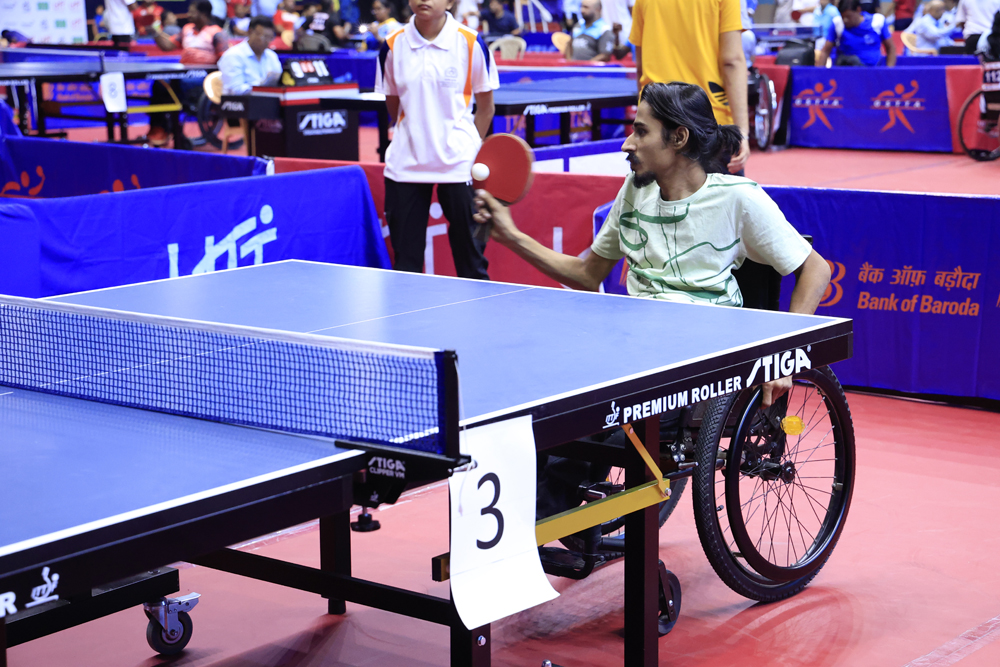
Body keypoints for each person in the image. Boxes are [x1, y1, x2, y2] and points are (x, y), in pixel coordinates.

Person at [473, 82, 831, 520]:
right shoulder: (635, 191)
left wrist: (786, 352)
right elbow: (587, 274)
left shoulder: (738, 199)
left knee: (590, 423)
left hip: (699, 361)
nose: (628, 143)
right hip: (631, 345)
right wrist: (511, 236)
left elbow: (816, 269)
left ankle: (534, 526)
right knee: (537, 396)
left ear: (678, 138)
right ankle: (520, 521)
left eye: (641, 132)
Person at [375, 0, 499, 279]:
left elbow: (486, 107)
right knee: (405, 267)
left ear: (451, 2)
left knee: (472, 263)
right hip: (406, 165)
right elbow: (393, 104)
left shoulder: (471, 42)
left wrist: (467, 147)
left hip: (459, 165)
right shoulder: (392, 45)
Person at [629, 0, 750, 174]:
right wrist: (742, 132)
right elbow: (731, 61)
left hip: (656, 121)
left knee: (657, 192)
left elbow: (640, 66)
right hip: (709, 121)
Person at [148, 1, 228, 148]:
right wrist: (154, 31)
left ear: (203, 14)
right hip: (183, 74)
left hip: (203, 77)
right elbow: (167, 46)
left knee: (174, 83)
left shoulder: (217, 33)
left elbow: (225, 60)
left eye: (192, 11)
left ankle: (169, 127)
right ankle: (159, 128)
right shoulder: (187, 29)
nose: (188, 14)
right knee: (159, 82)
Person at [817, 0, 896, 66]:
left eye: (848, 16)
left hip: (873, 73)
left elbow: (891, 48)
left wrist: (889, 72)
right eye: (842, 17)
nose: (845, 20)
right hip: (847, 73)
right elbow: (825, 51)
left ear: (858, 10)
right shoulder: (837, 23)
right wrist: (819, 74)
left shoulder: (878, 21)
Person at [219, 16, 282, 93]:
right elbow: (234, 90)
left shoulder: (272, 56)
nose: (267, 41)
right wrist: (260, 86)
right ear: (250, 32)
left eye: (270, 37)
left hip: (269, 98)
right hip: (242, 100)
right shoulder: (233, 55)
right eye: (264, 36)